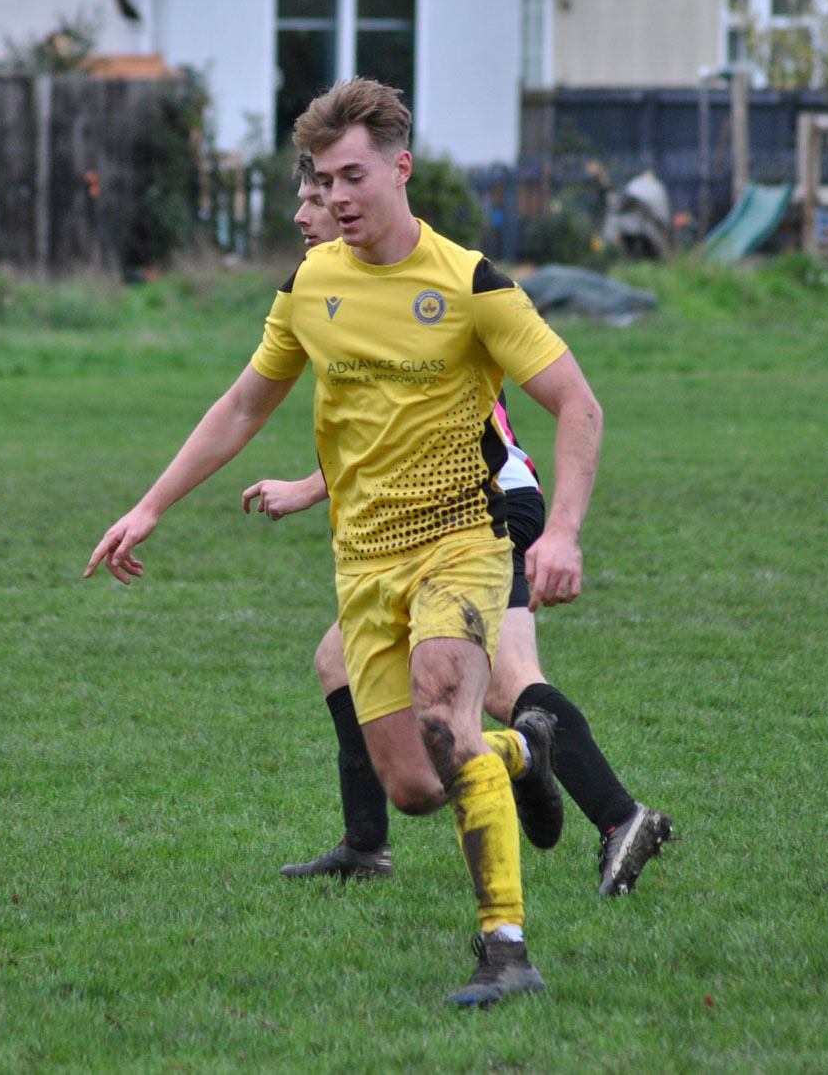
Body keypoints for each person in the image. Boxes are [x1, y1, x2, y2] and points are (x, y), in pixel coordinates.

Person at [87, 78, 603, 1008]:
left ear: (401, 168)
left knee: (444, 715)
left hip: (463, 536)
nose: (337, 196)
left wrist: (561, 531)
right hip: (364, 563)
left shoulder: (471, 282)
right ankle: (525, 751)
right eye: (325, 180)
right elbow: (243, 405)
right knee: (413, 785)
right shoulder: (311, 284)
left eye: (353, 176)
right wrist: (152, 504)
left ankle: (507, 951)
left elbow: (578, 402)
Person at [246, 156, 672, 895]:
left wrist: (562, 533)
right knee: (337, 660)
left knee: (509, 686)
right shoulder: (336, 291)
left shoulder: (434, 282)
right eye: (312, 196)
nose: (308, 213)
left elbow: (440, 423)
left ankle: (614, 814)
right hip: (443, 514)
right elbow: (375, 436)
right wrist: (314, 487)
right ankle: (366, 842)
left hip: (486, 505)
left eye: (319, 196)